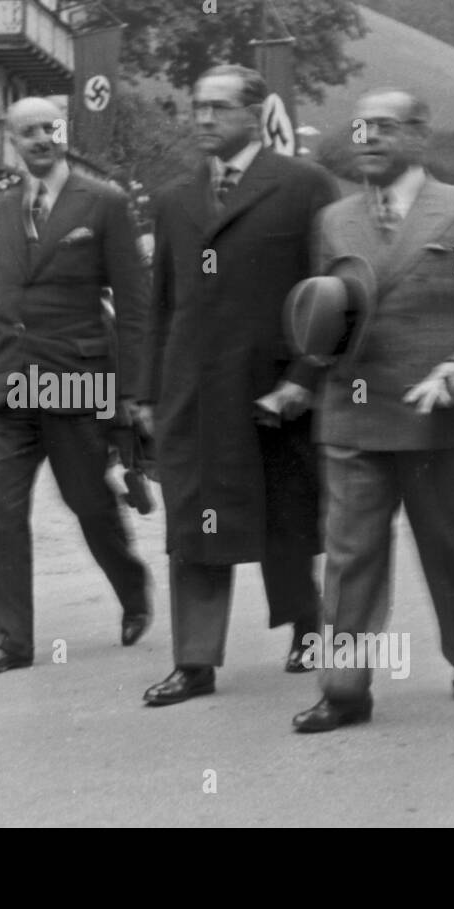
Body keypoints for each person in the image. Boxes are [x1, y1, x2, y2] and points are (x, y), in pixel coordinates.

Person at [291, 89, 454, 732]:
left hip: (433, 415)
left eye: (384, 127)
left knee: (447, 549)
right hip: (353, 413)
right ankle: (345, 690)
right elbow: (321, 311)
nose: (367, 138)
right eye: (360, 128)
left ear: (421, 134)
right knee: (350, 556)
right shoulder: (334, 220)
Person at [137, 64, 338, 706]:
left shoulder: (304, 187)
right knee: (193, 526)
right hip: (194, 395)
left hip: (274, 390)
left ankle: (307, 626)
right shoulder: (173, 200)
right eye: (196, 107)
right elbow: (160, 306)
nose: (202, 119)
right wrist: (148, 393)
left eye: (218, 108)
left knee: (287, 519)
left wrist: (306, 377)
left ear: (255, 113)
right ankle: (194, 662)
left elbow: (329, 294)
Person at [0, 96, 151, 676]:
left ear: (66, 131)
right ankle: (10, 640)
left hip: (75, 381)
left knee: (87, 502)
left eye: (50, 128)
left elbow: (137, 305)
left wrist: (134, 391)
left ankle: (131, 585)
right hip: (9, 384)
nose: (41, 138)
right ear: (11, 141)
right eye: (27, 132)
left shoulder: (105, 203)